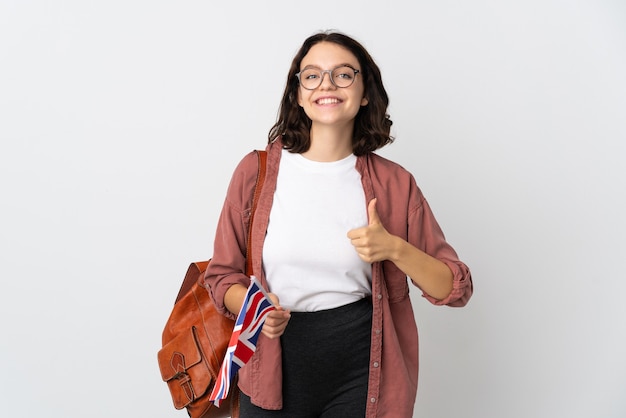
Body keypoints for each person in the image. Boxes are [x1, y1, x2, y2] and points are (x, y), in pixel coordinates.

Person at [204, 30, 473, 418]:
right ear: (298, 93)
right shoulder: (255, 173)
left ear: (365, 92)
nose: (326, 85)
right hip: (271, 362)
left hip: (362, 369)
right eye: (312, 75)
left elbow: (455, 288)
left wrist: (394, 248)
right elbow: (221, 277)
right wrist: (256, 310)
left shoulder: (395, 184)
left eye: (343, 74)